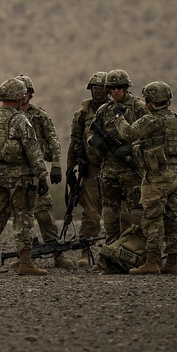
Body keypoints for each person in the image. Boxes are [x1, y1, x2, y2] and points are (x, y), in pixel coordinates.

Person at [111, 81, 177, 275]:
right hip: (176, 175)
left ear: (150, 100)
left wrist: (118, 117)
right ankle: (172, 261)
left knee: (152, 218)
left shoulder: (152, 120)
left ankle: (152, 261)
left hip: (156, 177)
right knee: (173, 218)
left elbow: (129, 133)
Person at [0, 78, 51, 276]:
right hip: (20, 178)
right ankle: (25, 262)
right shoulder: (19, 119)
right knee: (23, 217)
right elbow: (33, 149)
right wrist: (42, 176)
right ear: (18, 97)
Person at [14, 75, 74, 268]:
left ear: (30, 94)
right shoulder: (9, 116)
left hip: (36, 171)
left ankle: (56, 254)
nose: (22, 96)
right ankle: (26, 256)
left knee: (43, 213)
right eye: (19, 92)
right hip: (15, 173)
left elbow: (53, 140)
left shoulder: (39, 115)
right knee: (21, 216)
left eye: (25, 92)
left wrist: (56, 166)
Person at [88, 69, 147, 243]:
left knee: (136, 213)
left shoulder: (139, 107)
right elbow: (91, 133)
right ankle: (111, 249)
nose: (116, 91)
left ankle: (137, 250)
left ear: (127, 87)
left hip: (132, 169)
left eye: (120, 87)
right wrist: (96, 142)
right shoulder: (104, 110)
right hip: (109, 169)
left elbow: (151, 135)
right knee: (109, 212)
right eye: (112, 87)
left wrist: (131, 148)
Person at [65, 71, 108, 266]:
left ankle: (117, 252)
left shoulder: (119, 110)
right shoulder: (82, 114)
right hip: (90, 168)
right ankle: (85, 250)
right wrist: (69, 169)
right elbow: (74, 140)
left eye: (102, 88)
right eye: (94, 88)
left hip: (114, 168)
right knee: (90, 213)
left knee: (119, 213)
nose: (98, 92)